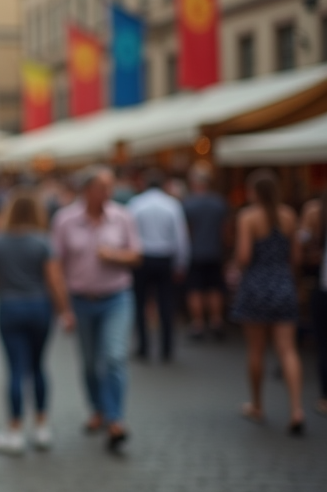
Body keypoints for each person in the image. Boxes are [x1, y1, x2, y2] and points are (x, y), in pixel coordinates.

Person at [0, 191, 73, 455]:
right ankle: (41, 427)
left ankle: (14, 430)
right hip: (40, 307)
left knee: (16, 370)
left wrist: (2, 277)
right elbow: (55, 281)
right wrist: (65, 312)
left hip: (10, 307)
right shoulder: (43, 242)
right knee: (38, 366)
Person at [52, 166, 141, 453]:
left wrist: (114, 255)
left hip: (116, 297)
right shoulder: (65, 220)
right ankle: (98, 409)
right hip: (81, 300)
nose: (108, 194)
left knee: (114, 357)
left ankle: (116, 419)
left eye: (110, 188)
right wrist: (63, 308)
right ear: (87, 191)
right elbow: (56, 265)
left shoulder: (122, 217)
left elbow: (137, 255)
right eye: (103, 188)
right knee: (90, 362)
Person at [231, 170, 304, 435]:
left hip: (256, 286)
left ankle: (258, 405)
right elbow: (295, 258)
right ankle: (296, 408)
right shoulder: (288, 216)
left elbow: (244, 256)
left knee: (256, 350)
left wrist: (236, 267)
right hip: (283, 284)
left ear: (254, 192)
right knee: (288, 350)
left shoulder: (248, 217)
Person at [127, 169, 189, 363]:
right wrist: (181, 263)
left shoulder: (136, 204)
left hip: (142, 258)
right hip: (164, 258)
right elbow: (181, 238)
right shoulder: (172, 205)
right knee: (166, 304)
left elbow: (130, 235)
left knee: (140, 304)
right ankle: (167, 348)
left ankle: (144, 347)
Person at [183, 165, 230, 340]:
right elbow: (225, 231)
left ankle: (198, 323)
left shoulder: (188, 203)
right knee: (214, 287)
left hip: (194, 252)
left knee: (195, 289)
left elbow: (186, 231)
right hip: (215, 251)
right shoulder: (219, 202)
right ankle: (216, 321)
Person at [299, 193, 327, 416]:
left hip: (323, 285)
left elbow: (302, 242)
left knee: (324, 343)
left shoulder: (314, 211)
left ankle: (325, 397)